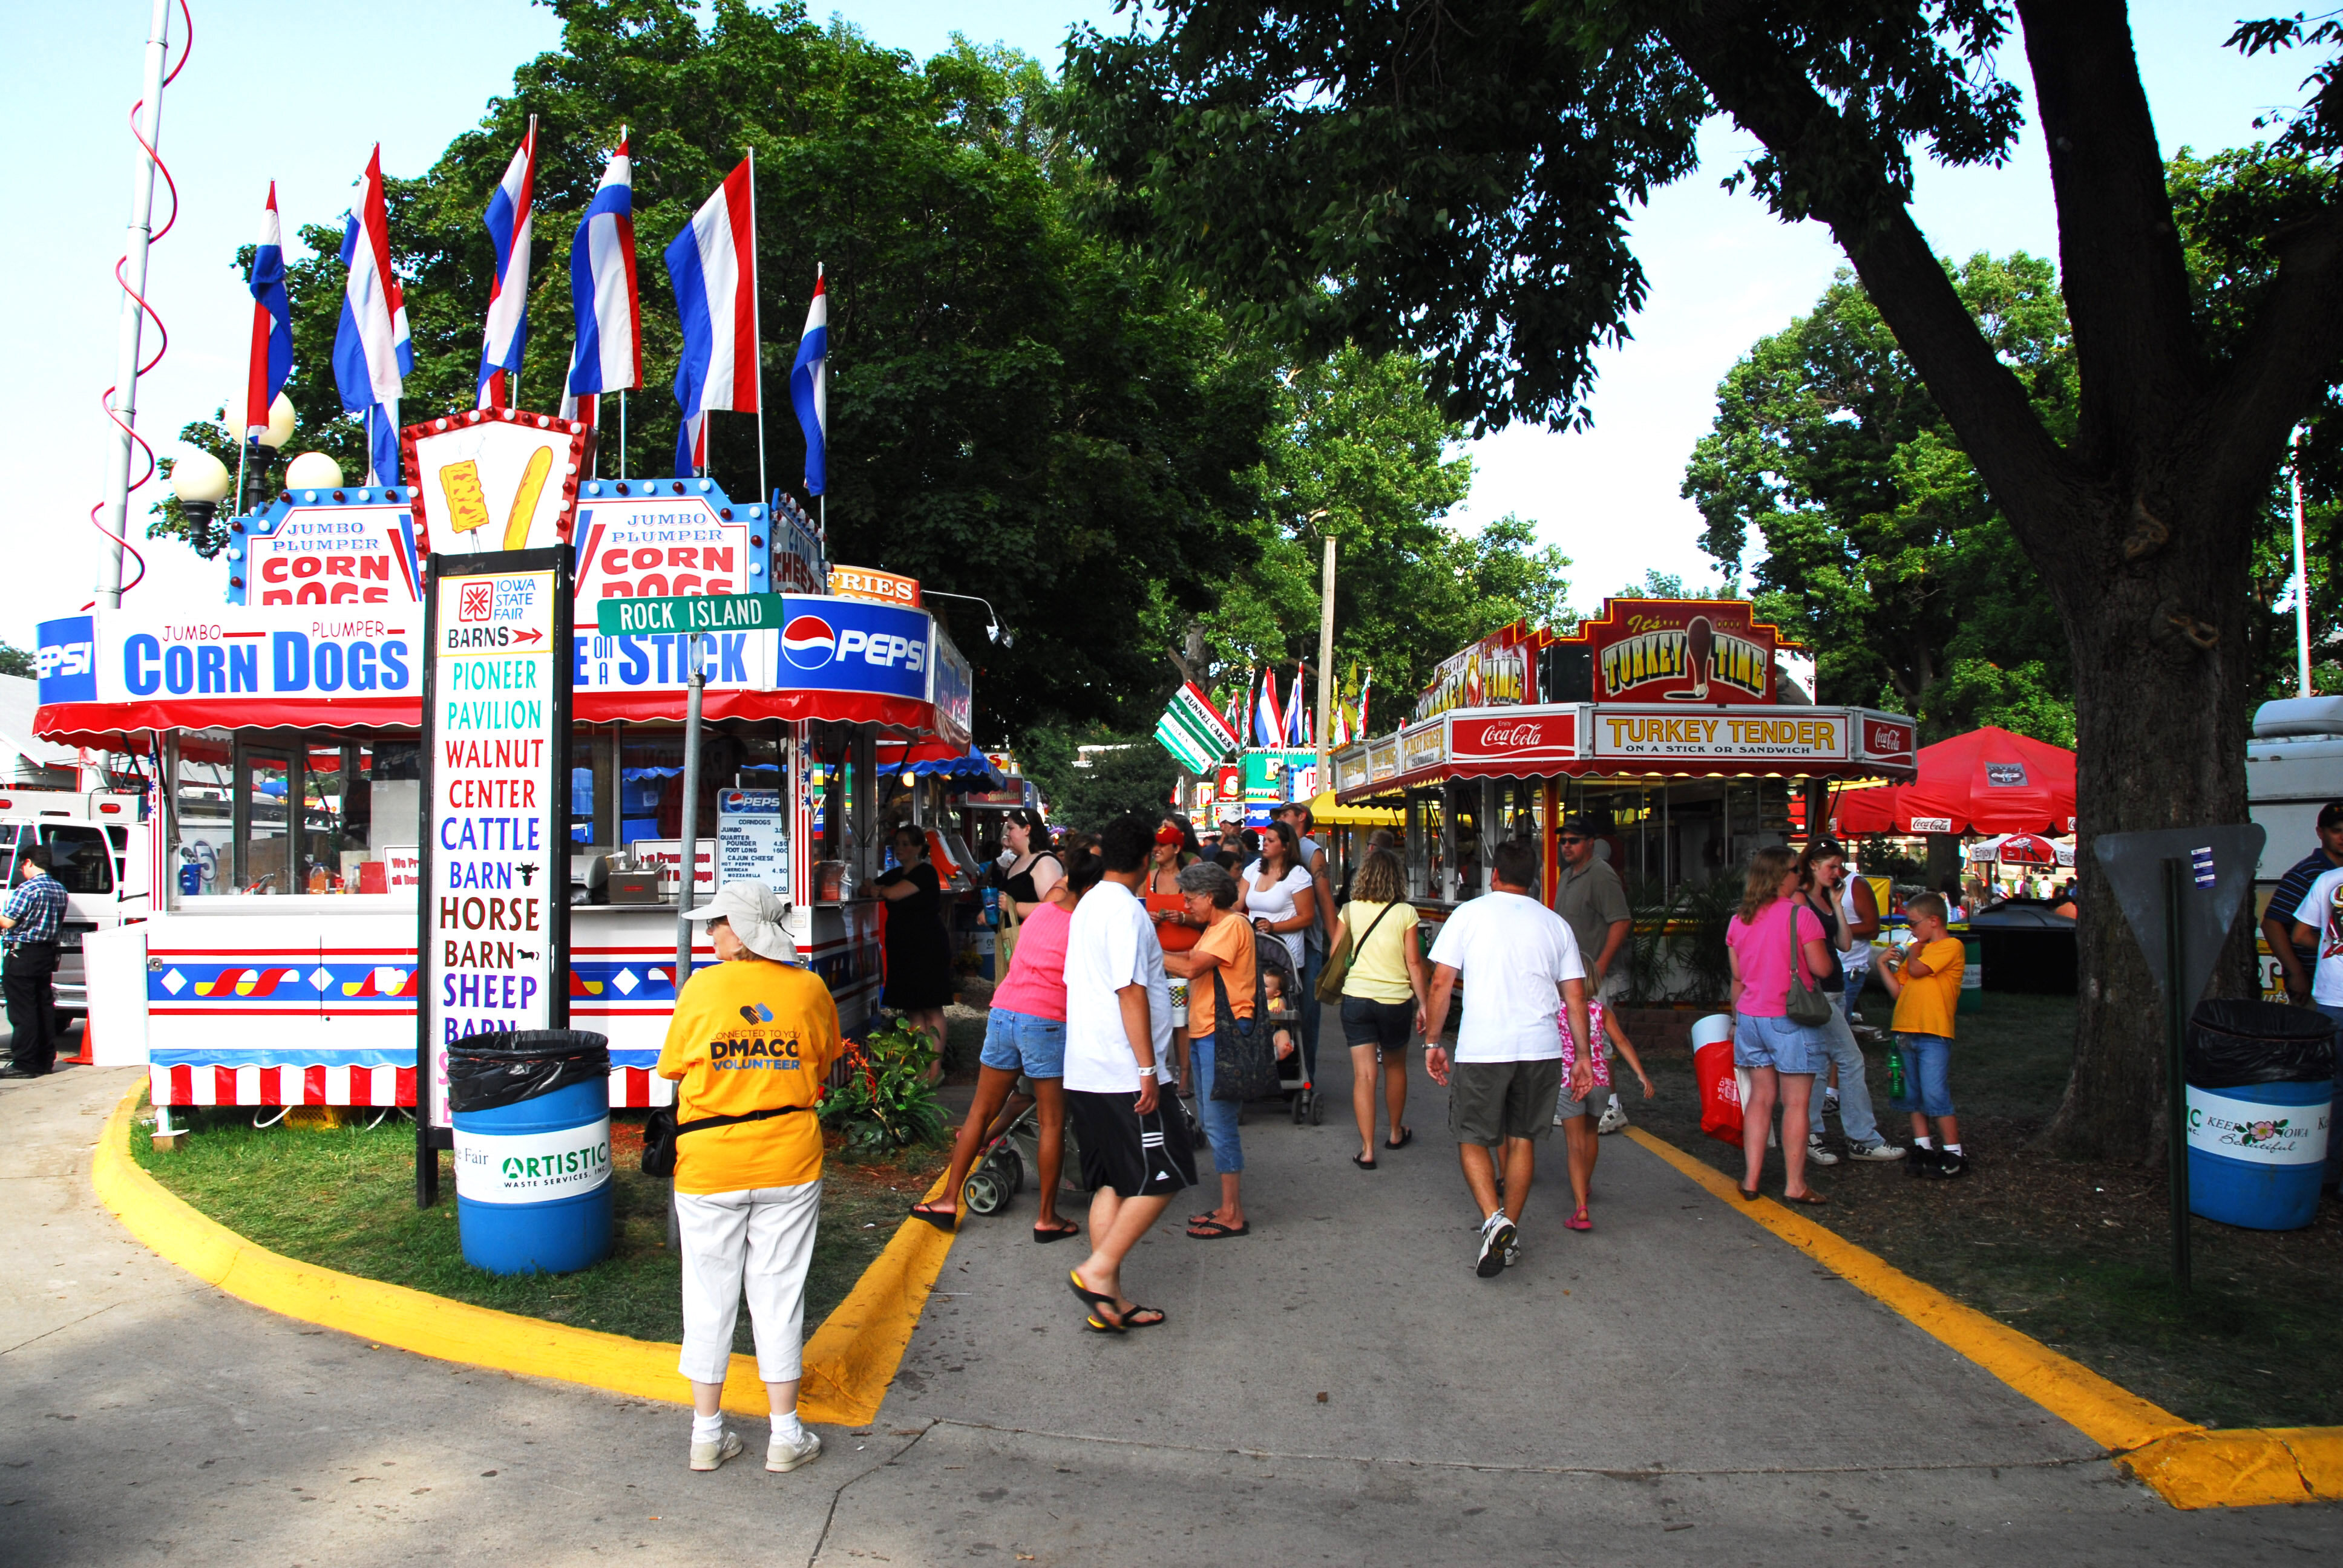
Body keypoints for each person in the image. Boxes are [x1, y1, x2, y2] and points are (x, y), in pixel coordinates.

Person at [658, 881, 840, 1474]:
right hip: (788, 1158)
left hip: (709, 1163)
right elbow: (823, 1059)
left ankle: (706, 1434)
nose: (709, 932)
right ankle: (784, 1435)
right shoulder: (809, 987)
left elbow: (673, 1067)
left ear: (743, 929)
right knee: (779, 1293)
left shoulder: (700, 989)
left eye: (718, 923)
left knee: (707, 1297)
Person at [912, 838, 1099, 1239]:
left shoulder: (1044, 913)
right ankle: (1047, 1218)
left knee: (980, 1112)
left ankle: (946, 1201)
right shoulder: (1086, 927)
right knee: (1052, 1122)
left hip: (1004, 1013)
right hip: (1046, 1021)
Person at [1421, 838, 1590, 1278]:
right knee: (1522, 1140)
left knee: (1473, 1137)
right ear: (1534, 879)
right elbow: (1575, 997)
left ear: (1494, 876)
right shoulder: (1556, 925)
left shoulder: (1469, 915)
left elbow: (1441, 983)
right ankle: (1508, 1234)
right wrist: (1584, 1057)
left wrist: (1433, 1042)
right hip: (1542, 1050)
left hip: (1484, 1048)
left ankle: (1494, 1220)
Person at [1061, 814, 1196, 1332]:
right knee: (1167, 1173)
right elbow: (1130, 990)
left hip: (1089, 1068)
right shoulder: (1125, 911)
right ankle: (1097, 1272)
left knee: (1114, 1183)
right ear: (1145, 860)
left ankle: (1108, 1297)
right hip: (1123, 1072)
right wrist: (1148, 1069)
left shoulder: (1091, 902)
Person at [1725, 846, 1838, 1204]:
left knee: (1759, 1099)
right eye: (1795, 870)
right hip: (1790, 1019)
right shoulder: (1801, 917)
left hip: (1751, 1018)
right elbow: (1822, 970)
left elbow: (1738, 978)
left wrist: (1735, 1019)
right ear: (1780, 875)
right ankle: (1795, 1185)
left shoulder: (1738, 920)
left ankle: (1751, 1179)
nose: (1799, 877)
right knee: (1795, 1103)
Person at [1161, 860, 1257, 1238]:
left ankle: (1233, 1213)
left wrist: (1145, 950)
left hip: (1222, 1031)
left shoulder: (1232, 924)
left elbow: (1191, 968)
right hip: (1207, 1031)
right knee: (1214, 1120)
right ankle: (1226, 1205)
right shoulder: (1216, 926)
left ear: (1210, 896)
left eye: (1190, 898)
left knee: (1219, 1123)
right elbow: (1187, 962)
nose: (1186, 905)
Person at [1796, 840, 1904, 1164]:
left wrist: (1838, 905)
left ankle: (1812, 1133)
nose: (1837, 873)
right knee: (1850, 1058)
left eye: (1841, 866)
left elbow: (1843, 943)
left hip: (1834, 984)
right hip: (1817, 990)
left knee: (1818, 1062)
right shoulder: (1801, 900)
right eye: (1831, 866)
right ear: (1813, 865)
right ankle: (1862, 1137)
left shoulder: (1828, 898)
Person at [1335, 846, 1427, 1168]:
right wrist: (1425, 1005)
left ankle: (1368, 1149)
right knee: (1395, 1068)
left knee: (1364, 1075)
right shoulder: (1406, 913)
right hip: (1396, 1000)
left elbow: (1336, 954)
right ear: (1397, 878)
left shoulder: (1348, 910)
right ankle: (1395, 1132)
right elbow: (1414, 962)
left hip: (1357, 998)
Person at [1876, 892, 1968, 1178]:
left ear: (1934, 921)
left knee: (1934, 1092)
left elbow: (1916, 970)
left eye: (1913, 923)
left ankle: (1954, 1152)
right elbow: (1898, 991)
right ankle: (1923, 1145)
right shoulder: (1920, 950)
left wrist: (1913, 949)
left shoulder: (1950, 946)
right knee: (1912, 1092)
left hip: (1933, 1032)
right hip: (1905, 1028)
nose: (1911, 930)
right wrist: (1882, 965)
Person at [1553, 998, 1654, 1230]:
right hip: (1599, 1080)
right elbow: (1621, 1041)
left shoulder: (1556, 1007)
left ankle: (1581, 1208)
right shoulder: (1602, 1010)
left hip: (1569, 1080)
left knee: (1575, 1144)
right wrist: (1641, 1075)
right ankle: (1585, 1183)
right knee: (1591, 1135)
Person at [2283, 864, 2343, 1192]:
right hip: (2334, 1000)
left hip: (2335, 999)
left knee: (2335, 1090)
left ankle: (2331, 1176)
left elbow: (2302, 934)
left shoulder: (2329, 880)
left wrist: (2331, 945)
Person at [874, 826, 953, 1069]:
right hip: (903, 947)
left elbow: (894, 893)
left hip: (927, 946)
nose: (900, 848)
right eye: (897, 843)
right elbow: (869, 886)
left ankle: (935, 1068)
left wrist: (880, 890)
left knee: (931, 1006)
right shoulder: (895, 873)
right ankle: (918, 1065)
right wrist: (878, 889)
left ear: (919, 848)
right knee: (913, 1008)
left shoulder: (926, 872)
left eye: (907, 844)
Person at [1275, 802, 1335, 1080]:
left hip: (1307, 943)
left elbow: (1325, 900)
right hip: (1273, 946)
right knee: (1276, 1009)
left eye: (1285, 815)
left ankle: (1305, 1075)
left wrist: (1335, 944)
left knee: (1306, 1012)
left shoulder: (1312, 852)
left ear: (1301, 818)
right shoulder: (1273, 851)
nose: (1280, 819)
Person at [1145, 815, 1204, 1088]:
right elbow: (1137, 911)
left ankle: (1185, 1076)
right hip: (1155, 960)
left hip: (1186, 960)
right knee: (1155, 1018)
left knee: (1182, 1022)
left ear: (1177, 849)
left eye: (1163, 845)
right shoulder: (1149, 878)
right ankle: (1157, 1072)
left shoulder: (1191, 878)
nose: (1157, 850)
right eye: (1155, 845)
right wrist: (1149, 918)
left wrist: (1184, 919)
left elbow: (1205, 916)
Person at [2265, 801, 2343, 1005]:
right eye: (2336, 831)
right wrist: (2296, 972)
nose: (2342, 837)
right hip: (2315, 984)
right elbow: (2273, 923)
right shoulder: (2304, 875)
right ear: (2320, 832)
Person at [0, 844, 67, 1079]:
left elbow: (8, 922)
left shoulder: (27, 889)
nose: (21, 870)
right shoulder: (59, 889)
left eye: (22, 865)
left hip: (22, 954)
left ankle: (26, 1063)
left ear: (29, 862)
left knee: (23, 1011)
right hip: (45, 955)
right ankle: (44, 1059)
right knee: (43, 1008)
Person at [1553, 818, 1632, 1002]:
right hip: (1570, 976)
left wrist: (1600, 968)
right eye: (1563, 841)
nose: (1567, 846)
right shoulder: (1565, 876)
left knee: (1594, 1030)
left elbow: (1621, 922)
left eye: (1574, 841)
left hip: (1595, 980)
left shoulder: (1601, 875)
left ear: (1590, 843)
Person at [1237, 820, 1318, 993]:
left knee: (1280, 1006)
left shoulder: (1298, 875)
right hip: (1255, 950)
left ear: (1285, 847)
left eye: (1271, 841)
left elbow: (1307, 917)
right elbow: (1237, 903)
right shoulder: (1254, 869)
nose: (1264, 843)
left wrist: (1274, 926)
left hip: (1285, 955)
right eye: (1264, 839)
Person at [994, 808, 1063, 975]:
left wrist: (1014, 906)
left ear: (1027, 829)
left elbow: (1055, 909)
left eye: (1011, 828)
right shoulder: (1020, 859)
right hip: (1018, 951)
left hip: (1036, 955)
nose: (1007, 834)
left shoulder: (1044, 862)